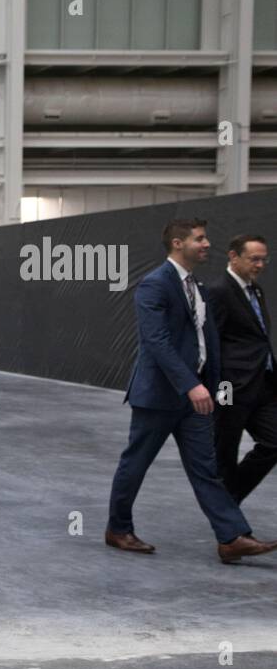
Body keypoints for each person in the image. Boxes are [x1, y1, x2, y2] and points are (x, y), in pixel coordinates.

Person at [106, 218, 277, 563]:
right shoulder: (155, 284)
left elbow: (206, 340)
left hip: (195, 398)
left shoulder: (195, 285)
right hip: (159, 396)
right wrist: (191, 385)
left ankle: (231, 537)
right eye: (199, 239)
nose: (206, 244)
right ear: (178, 244)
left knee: (206, 470)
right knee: (136, 463)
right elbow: (156, 342)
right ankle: (118, 528)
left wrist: (209, 386)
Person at [206, 234, 277, 503]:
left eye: (263, 259)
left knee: (273, 442)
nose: (259, 265)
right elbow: (211, 344)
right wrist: (221, 392)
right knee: (225, 450)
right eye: (253, 259)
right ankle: (228, 524)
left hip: (262, 385)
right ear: (233, 257)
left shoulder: (255, 289)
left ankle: (228, 498)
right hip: (231, 388)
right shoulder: (219, 291)